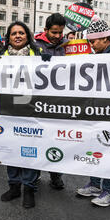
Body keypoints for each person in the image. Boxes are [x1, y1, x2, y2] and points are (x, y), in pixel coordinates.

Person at [75, 17, 110, 207]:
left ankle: (109, 192)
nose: (91, 45)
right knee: (96, 150)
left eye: (93, 41)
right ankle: (95, 184)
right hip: (99, 110)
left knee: (106, 151)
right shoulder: (102, 54)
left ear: (105, 39)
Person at [0, 21, 41, 209]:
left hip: (30, 110)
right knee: (11, 149)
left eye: (21, 33)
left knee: (29, 151)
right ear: (8, 37)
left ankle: (29, 188)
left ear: (27, 35)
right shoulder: (0, 56)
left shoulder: (37, 55)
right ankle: (14, 186)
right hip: (8, 110)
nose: (17, 36)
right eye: (13, 33)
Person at [34, 13, 67, 190]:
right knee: (38, 139)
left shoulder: (64, 45)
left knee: (56, 140)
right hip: (38, 101)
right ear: (46, 30)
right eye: (54, 32)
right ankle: (36, 173)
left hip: (57, 101)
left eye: (60, 33)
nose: (56, 36)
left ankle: (56, 175)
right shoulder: (35, 45)